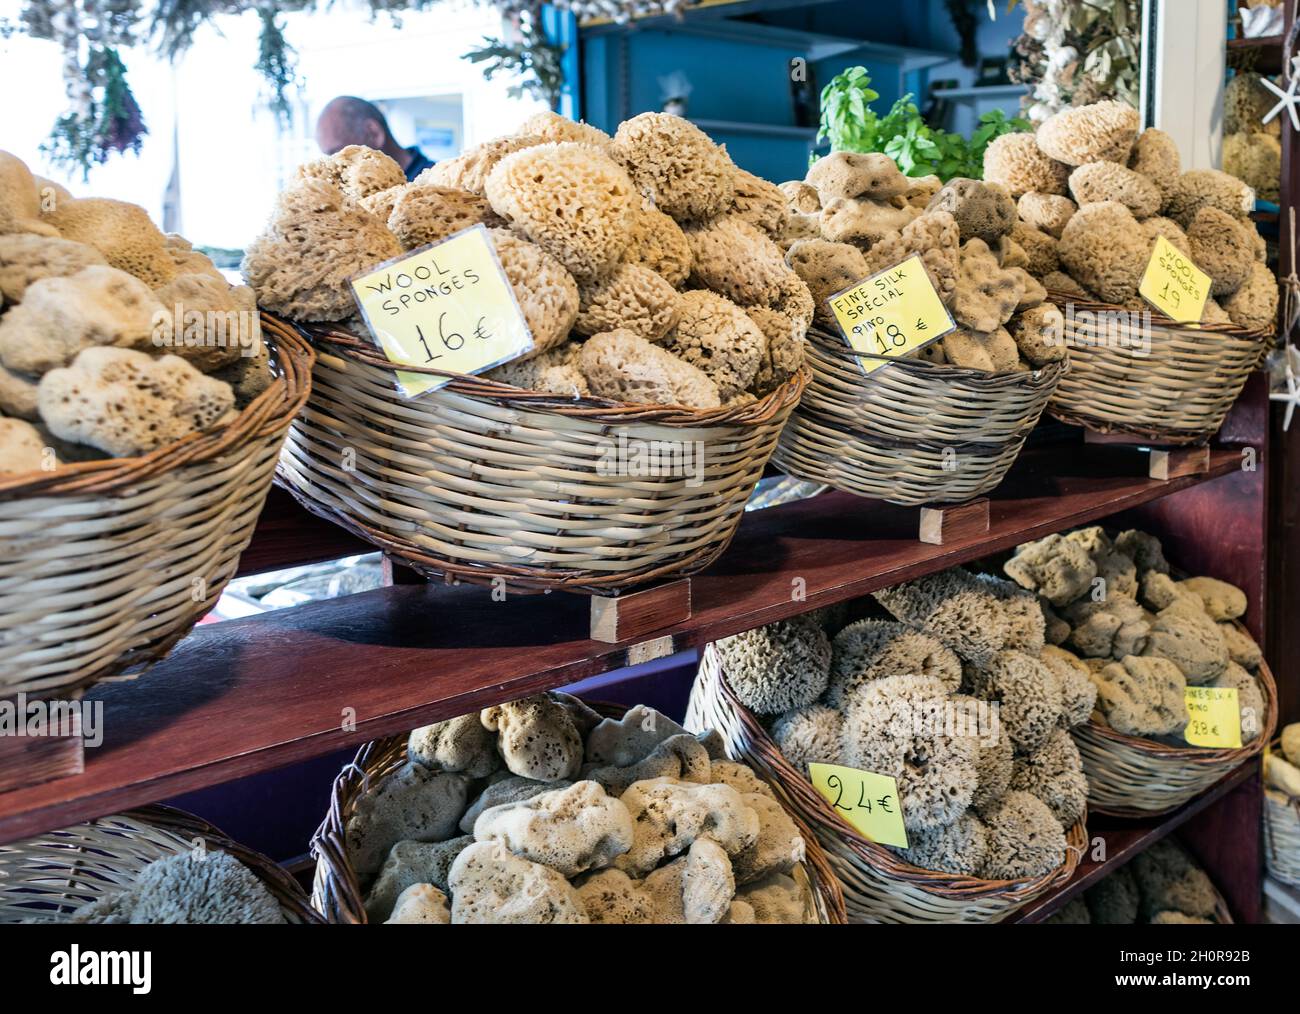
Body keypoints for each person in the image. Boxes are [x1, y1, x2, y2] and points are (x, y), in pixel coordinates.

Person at [314, 95, 434, 181]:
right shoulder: (349, 200)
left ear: (373, 133)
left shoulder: (439, 186)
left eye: (337, 152)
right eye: (329, 157)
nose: (334, 168)